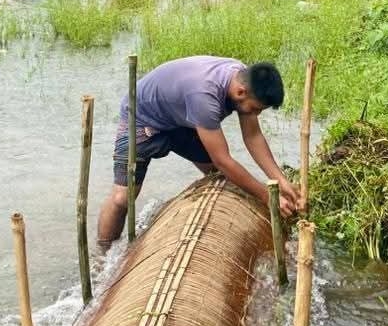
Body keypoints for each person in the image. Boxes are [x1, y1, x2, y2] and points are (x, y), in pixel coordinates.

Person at [96, 56, 302, 249]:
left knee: (215, 175)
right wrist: (267, 197)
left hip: (181, 118)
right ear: (241, 93)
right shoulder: (204, 96)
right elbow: (223, 160)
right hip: (142, 118)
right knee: (123, 198)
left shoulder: (242, 79)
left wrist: (281, 181)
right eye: (256, 109)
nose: (255, 114)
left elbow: (253, 137)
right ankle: (104, 253)